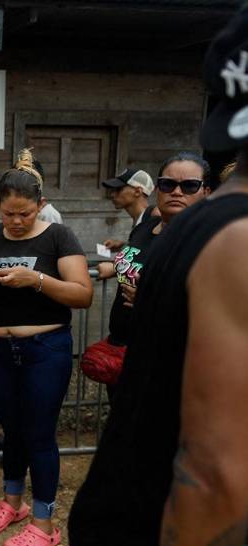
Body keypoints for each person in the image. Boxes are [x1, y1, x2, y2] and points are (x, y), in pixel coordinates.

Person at [68, 12, 248, 546]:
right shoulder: (237, 236)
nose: (175, 192)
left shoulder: (197, 226)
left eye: (184, 185)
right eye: (166, 185)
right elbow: (217, 474)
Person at [0, 148, 92, 546]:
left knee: (39, 432)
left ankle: (44, 521)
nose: (15, 222)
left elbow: (82, 294)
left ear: (41, 206)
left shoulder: (58, 236)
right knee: (11, 428)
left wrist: (37, 280)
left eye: (25, 213)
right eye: (8, 213)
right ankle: (12, 502)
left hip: (45, 347)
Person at [96, 153, 211, 401]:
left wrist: (156, 303)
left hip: (169, 357)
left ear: (206, 192)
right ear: (158, 189)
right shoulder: (145, 228)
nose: (177, 192)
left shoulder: (210, 243)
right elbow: (136, 266)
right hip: (124, 348)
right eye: (168, 184)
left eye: (189, 185)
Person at [101, 168, 156, 251]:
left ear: (137, 191)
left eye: (119, 189)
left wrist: (113, 265)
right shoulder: (140, 219)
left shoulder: (153, 220)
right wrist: (124, 246)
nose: (112, 194)